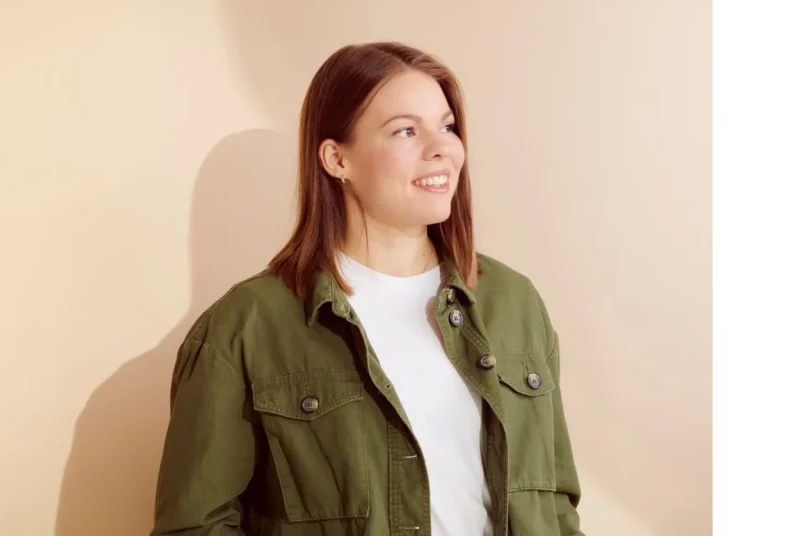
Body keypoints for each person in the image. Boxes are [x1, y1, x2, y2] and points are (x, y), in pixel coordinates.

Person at [150, 42, 583, 536]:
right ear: (337, 159)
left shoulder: (514, 302)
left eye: (446, 127)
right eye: (405, 131)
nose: (441, 148)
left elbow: (556, 508)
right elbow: (195, 525)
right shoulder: (246, 327)